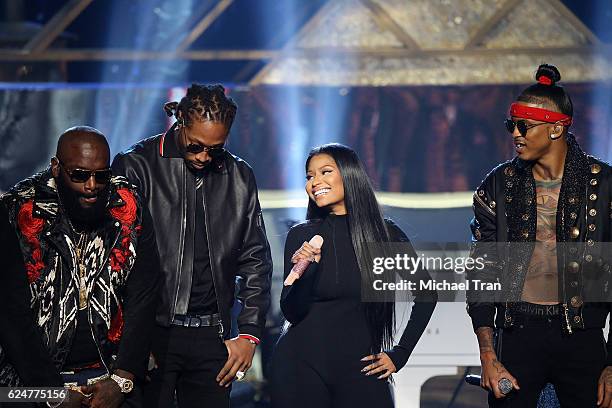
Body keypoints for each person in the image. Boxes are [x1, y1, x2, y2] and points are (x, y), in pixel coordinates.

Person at [112, 84, 273, 408]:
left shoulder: (239, 176)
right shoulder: (136, 165)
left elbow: (255, 257)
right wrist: (132, 338)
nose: (203, 157)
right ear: (180, 121)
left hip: (212, 336)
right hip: (150, 332)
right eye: (195, 146)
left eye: (214, 149)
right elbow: (116, 259)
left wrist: (249, 334)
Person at [467, 64, 612, 407]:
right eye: (511, 126)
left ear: (556, 129)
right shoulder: (499, 185)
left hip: (583, 336)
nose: (515, 134)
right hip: (517, 333)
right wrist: (487, 355)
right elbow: (482, 273)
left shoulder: (603, 185)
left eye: (524, 126)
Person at [0, 126, 160, 408]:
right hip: (30, 382)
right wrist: (51, 391)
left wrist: (122, 378)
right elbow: (12, 313)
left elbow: (144, 294)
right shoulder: (18, 209)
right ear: (56, 167)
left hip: (108, 374)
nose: (91, 185)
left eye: (102, 175)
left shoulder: (128, 203)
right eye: (80, 175)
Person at [270, 143, 438, 408]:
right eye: (310, 176)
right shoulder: (301, 235)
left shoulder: (385, 234)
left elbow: (427, 293)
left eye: (325, 172)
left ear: (349, 174)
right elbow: (291, 310)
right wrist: (307, 269)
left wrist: (400, 354)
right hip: (300, 366)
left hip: (361, 369)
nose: (315, 182)